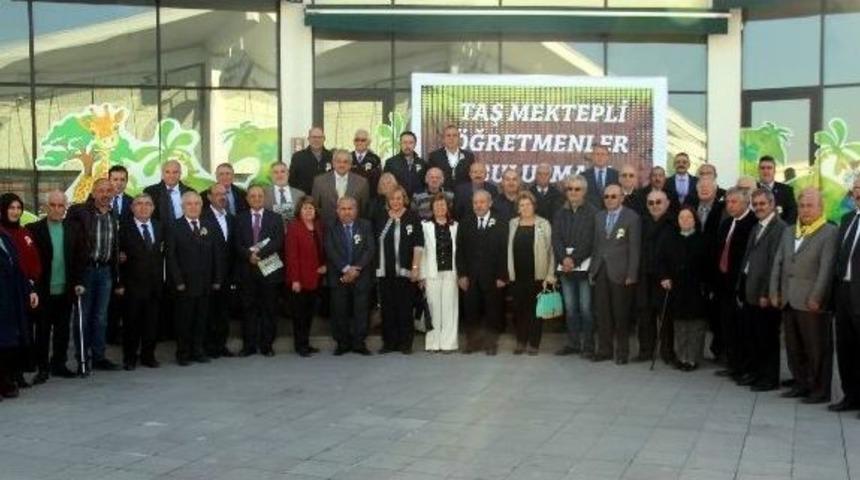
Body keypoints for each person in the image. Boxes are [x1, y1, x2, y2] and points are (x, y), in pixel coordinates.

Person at [770, 188, 837, 404]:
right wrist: (775, 291)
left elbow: (826, 269)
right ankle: (801, 383)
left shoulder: (829, 232)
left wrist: (817, 296)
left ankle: (819, 390)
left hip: (811, 301)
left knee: (816, 348)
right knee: (793, 346)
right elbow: (778, 263)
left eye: (810, 206)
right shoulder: (790, 231)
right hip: (789, 298)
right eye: (802, 205)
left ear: (820, 208)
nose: (805, 210)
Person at [65, 179, 120, 373]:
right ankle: (82, 357)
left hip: (105, 271)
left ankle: (99, 356)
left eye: (108, 191)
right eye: (101, 191)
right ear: (93, 192)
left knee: (101, 317)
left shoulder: (114, 215)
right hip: (86, 271)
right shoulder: (81, 212)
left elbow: (115, 245)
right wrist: (75, 276)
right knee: (83, 316)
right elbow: (71, 245)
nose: (105, 194)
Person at [737, 188, 786, 391]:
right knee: (754, 336)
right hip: (750, 289)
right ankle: (757, 373)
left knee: (767, 338)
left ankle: (769, 378)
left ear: (772, 204)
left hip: (764, 293)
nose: (758, 208)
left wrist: (767, 292)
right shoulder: (757, 226)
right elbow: (748, 258)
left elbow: (775, 264)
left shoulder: (780, 228)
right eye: (755, 204)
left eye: (762, 204)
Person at [166, 191, 222, 366]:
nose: (193, 207)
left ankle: (198, 350)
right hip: (185, 284)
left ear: (201, 205)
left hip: (205, 283)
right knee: (184, 320)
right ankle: (183, 353)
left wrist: (217, 279)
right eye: (189, 204)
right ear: (183, 207)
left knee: (201, 319)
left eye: (197, 203)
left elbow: (216, 254)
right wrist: (178, 281)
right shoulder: (174, 226)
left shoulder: (209, 225)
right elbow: (171, 257)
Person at [27, 191, 76, 383]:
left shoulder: (72, 228)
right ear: (46, 207)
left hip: (65, 289)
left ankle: (59, 364)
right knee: (43, 331)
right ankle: (42, 368)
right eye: (53, 205)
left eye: (60, 205)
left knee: (63, 331)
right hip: (44, 290)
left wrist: (78, 282)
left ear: (65, 208)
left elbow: (78, 258)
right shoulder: (33, 229)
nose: (57, 209)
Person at [589, 184, 640, 364]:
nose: (609, 200)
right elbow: (596, 246)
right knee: (602, 314)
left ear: (621, 198)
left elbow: (634, 248)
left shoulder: (632, 217)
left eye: (613, 196)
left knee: (620, 315)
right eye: (607, 197)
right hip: (601, 271)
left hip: (621, 272)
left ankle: (622, 352)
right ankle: (604, 350)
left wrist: (631, 274)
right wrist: (592, 271)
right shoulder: (599, 216)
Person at [456, 190, 508, 355]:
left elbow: (504, 251)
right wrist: (462, 275)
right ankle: (473, 342)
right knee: (471, 311)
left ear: (490, 203)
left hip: (493, 277)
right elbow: (460, 251)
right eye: (475, 202)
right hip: (470, 277)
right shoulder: (465, 222)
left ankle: (491, 344)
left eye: (482, 202)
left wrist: (502, 275)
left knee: (493, 311)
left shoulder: (500, 222)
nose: (478, 205)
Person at [234, 185, 284, 357]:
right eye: (252, 196)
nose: (256, 199)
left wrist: (259, 254)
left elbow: (278, 241)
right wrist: (249, 256)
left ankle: (267, 345)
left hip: (270, 269)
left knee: (269, 310)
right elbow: (236, 243)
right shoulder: (238, 219)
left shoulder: (276, 218)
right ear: (247, 199)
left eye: (259, 196)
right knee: (248, 309)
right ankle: (248, 346)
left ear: (264, 198)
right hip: (246, 271)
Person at [657, 207, 708, 371]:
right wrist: (664, 277)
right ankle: (682, 357)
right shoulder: (670, 238)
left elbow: (709, 265)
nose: (685, 220)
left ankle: (692, 359)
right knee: (679, 325)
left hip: (697, 288)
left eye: (688, 218)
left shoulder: (703, 238)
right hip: (676, 288)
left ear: (695, 220)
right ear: (677, 221)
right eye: (681, 218)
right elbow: (661, 260)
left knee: (695, 325)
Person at [713, 187, 757, 381]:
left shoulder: (752, 224)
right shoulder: (726, 223)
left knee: (743, 329)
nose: (730, 206)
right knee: (728, 327)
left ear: (746, 202)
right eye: (728, 202)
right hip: (724, 285)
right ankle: (733, 365)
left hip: (741, 285)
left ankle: (746, 368)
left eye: (734, 202)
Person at [116, 194, 164, 370]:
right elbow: (118, 258)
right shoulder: (124, 229)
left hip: (155, 285)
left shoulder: (159, 227)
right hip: (132, 285)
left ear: (153, 208)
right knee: (131, 324)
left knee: (151, 324)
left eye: (148, 204)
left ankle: (148, 356)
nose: (144, 207)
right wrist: (119, 284)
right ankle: (130, 358)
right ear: (132, 208)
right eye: (139, 204)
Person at [552, 175, 597, 357]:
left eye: (577, 189)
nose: (573, 192)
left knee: (586, 309)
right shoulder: (559, 212)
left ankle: (588, 345)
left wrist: (573, 259)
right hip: (566, 269)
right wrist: (564, 259)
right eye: (570, 189)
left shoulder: (593, 212)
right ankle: (573, 344)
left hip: (584, 269)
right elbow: (556, 238)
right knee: (570, 309)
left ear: (584, 191)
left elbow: (589, 241)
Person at [375, 187, 424, 354]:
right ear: (388, 201)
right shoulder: (381, 217)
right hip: (385, 272)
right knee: (388, 309)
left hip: (405, 272)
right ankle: (389, 343)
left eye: (398, 198)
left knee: (404, 308)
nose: (395, 202)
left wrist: (415, 268)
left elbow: (418, 244)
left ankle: (405, 343)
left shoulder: (412, 217)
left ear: (404, 199)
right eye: (392, 199)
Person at [324, 196, 375, 356]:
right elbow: (330, 249)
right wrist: (346, 269)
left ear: (356, 210)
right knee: (340, 311)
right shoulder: (330, 226)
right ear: (337, 211)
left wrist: (356, 269)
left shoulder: (365, 225)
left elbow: (370, 249)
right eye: (343, 209)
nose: (347, 212)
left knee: (361, 311)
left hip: (361, 275)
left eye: (350, 208)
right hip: (339, 276)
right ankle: (342, 343)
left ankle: (359, 343)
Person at [0, 193, 42, 386]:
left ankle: (18, 373)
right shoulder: (2, 234)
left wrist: (32, 284)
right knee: (9, 335)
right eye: (11, 208)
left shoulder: (24, 233)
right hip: (7, 294)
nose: (15, 212)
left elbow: (33, 260)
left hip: (25, 289)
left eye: (18, 208)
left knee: (24, 333)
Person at [508, 191, 555, 355]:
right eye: (522, 205)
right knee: (519, 310)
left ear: (534, 206)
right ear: (518, 208)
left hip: (538, 276)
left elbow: (551, 252)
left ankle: (534, 343)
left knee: (536, 311)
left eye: (528, 204)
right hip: (517, 275)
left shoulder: (543, 224)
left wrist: (550, 275)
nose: (525, 207)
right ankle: (521, 341)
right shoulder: (512, 224)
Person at [635, 189, 675, 364]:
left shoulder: (674, 222)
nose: (655, 206)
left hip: (664, 277)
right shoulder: (641, 222)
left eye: (659, 202)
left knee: (665, 317)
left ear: (667, 203)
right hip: (644, 275)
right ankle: (645, 351)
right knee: (645, 315)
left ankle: (667, 352)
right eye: (651, 203)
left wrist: (670, 275)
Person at [830, 177, 860, 414]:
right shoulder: (848, 218)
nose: (858, 192)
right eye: (857, 187)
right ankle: (850, 396)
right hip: (843, 292)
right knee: (846, 346)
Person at [285, 196, 326, 357]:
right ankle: (300, 345)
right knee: (300, 315)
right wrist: (295, 279)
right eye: (305, 208)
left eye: (311, 208)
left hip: (316, 278)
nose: (308, 211)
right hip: (299, 280)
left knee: (309, 314)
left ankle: (306, 343)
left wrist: (325, 265)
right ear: (299, 211)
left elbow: (323, 250)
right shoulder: (294, 227)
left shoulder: (318, 226)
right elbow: (291, 256)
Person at [0, 229, 38, 401]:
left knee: (8, 343)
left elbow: (17, 269)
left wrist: (30, 291)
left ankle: (6, 382)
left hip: (9, 299)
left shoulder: (5, 237)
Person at [419, 193, 459, 353]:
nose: (440, 208)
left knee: (450, 307)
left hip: (451, 272)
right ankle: (433, 343)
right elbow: (421, 251)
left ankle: (449, 343)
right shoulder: (424, 225)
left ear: (447, 207)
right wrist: (422, 275)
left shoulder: (456, 225)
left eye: (443, 205)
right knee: (433, 308)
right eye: (437, 205)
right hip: (431, 272)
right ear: (432, 208)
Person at [201, 184, 237, 359]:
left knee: (223, 312)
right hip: (209, 275)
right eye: (218, 194)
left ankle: (221, 345)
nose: (222, 197)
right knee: (209, 313)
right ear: (209, 197)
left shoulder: (230, 218)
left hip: (227, 275)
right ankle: (209, 346)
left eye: (224, 194)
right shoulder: (202, 218)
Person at [106, 165, 132, 346]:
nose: (118, 183)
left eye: (122, 179)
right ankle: (108, 334)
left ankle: (123, 334)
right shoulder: (100, 200)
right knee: (108, 300)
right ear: (109, 180)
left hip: (127, 259)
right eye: (115, 179)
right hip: (106, 258)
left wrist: (126, 252)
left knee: (125, 298)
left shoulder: (133, 202)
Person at [312, 149, 370, 226]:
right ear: (333, 163)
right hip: (326, 228)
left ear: (350, 164)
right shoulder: (319, 181)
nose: (342, 165)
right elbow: (315, 207)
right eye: (338, 161)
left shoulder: (362, 182)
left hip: (352, 228)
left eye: (345, 162)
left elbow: (363, 209)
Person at [427, 124, 475, 191]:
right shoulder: (434, 156)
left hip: (463, 195)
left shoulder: (469, 156)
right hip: (442, 196)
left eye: (454, 135)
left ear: (459, 138)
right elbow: (430, 178)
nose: (451, 138)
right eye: (448, 135)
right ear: (443, 139)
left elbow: (472, 178)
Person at [289, 127, 332, 196]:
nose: (316, 140)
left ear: (324, 139)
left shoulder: (331, 156)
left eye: (320, 137)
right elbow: (292, 180)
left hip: (326, 199)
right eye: (314, 137)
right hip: (304, 199)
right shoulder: (298, 157)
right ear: (309, 139)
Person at [384, 131, 428, 197]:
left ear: (415, 144)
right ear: (400, 144)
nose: (407, 146)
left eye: (410, 143)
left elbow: (425, 184)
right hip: (398, 201)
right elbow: (386, 185)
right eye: (404, 142)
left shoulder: (422, 163)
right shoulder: (391, 162)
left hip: (418, 202)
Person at [758, 155, 797, 224]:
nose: (765, 171)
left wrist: (783, 231)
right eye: (762, 168)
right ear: (758, 170)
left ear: (774, 171)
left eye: (769, 168)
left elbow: (792, 214)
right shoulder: (753, 189)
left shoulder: (787, 190)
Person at [264, 161, 305, 226]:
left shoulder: (300, 194)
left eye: (282, 171)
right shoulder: (263, 193)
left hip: (294, 233)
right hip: (272, 233)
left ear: (288, 174)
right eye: (275, 172)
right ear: (271, 175)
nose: (279, 175)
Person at [350, 129, 382, 195]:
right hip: (351, 197)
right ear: (353, 142)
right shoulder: (348, 157)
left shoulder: (375, 159)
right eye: (357, 140)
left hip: (370, 196)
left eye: (363, 140)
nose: (359, 142)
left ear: (368, 142)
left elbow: (378, 180)